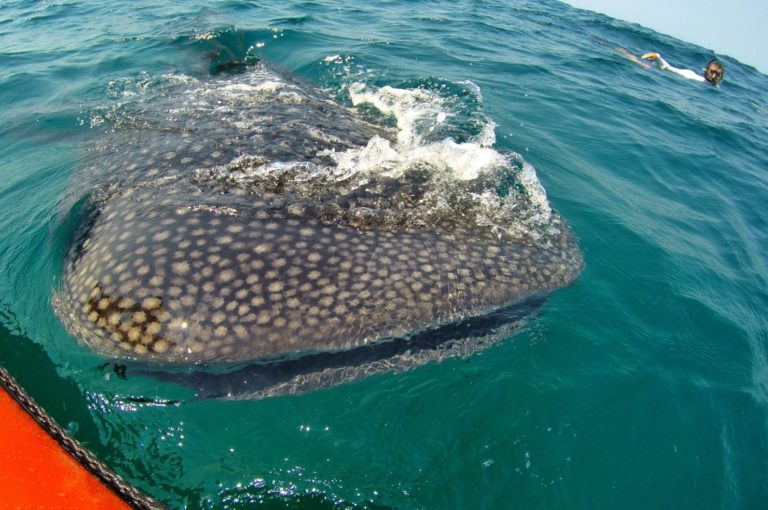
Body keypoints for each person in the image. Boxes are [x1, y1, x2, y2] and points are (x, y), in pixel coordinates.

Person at [617, 47, 724, 85]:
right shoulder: (692, 76)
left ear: (721, 77)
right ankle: (622, 51)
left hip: (660, 73)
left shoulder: (715, 88)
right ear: (706, 70)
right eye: (712, 72)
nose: (714, 76)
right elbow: (667, 68)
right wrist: (658, 58)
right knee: (634, 59)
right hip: (658, 71)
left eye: (717, 74)